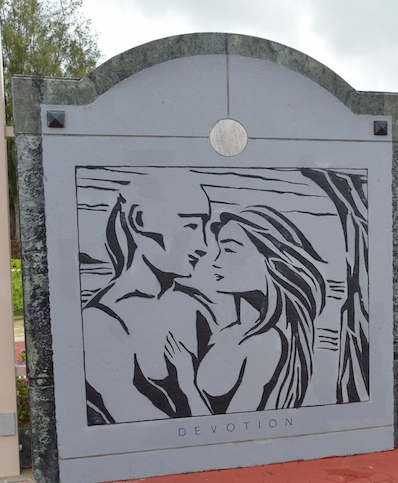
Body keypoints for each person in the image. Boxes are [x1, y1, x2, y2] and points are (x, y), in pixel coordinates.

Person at [83, 169, 213, 424]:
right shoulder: (101, 322)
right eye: (190, 226)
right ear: (140, 219)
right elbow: (140, 423)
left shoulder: (195, 308)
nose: (204, 245)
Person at [193, 205, 326, 413]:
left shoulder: (266, 343)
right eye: (219, 249)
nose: (216, 262)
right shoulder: (227, 331)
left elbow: (237, 421)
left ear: (271, 262)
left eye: (229, 250)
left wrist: (185, 382)